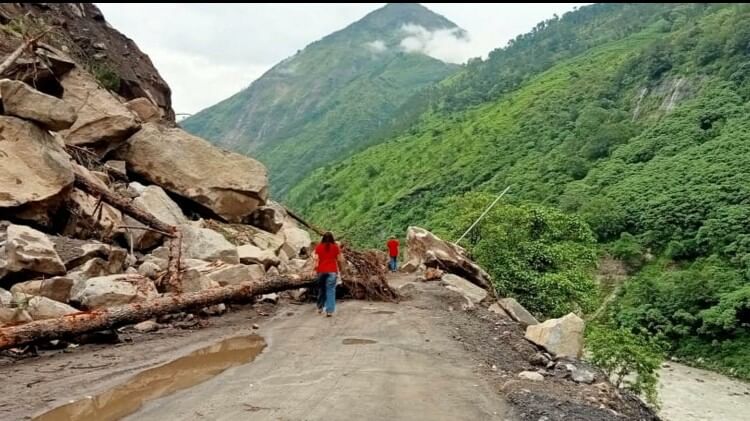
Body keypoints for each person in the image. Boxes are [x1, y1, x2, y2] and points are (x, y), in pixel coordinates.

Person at [311, 231, 342, 317]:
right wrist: (340, 269)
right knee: (331, 290)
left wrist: (313, 270)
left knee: (322, 289)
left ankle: (320, 308)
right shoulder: (336, 247)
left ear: (323, 238)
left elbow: (316, 260)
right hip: (332, 271)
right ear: (332, 238)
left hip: (321, 271)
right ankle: (329, 311)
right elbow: (339, 260)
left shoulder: (318, 247)